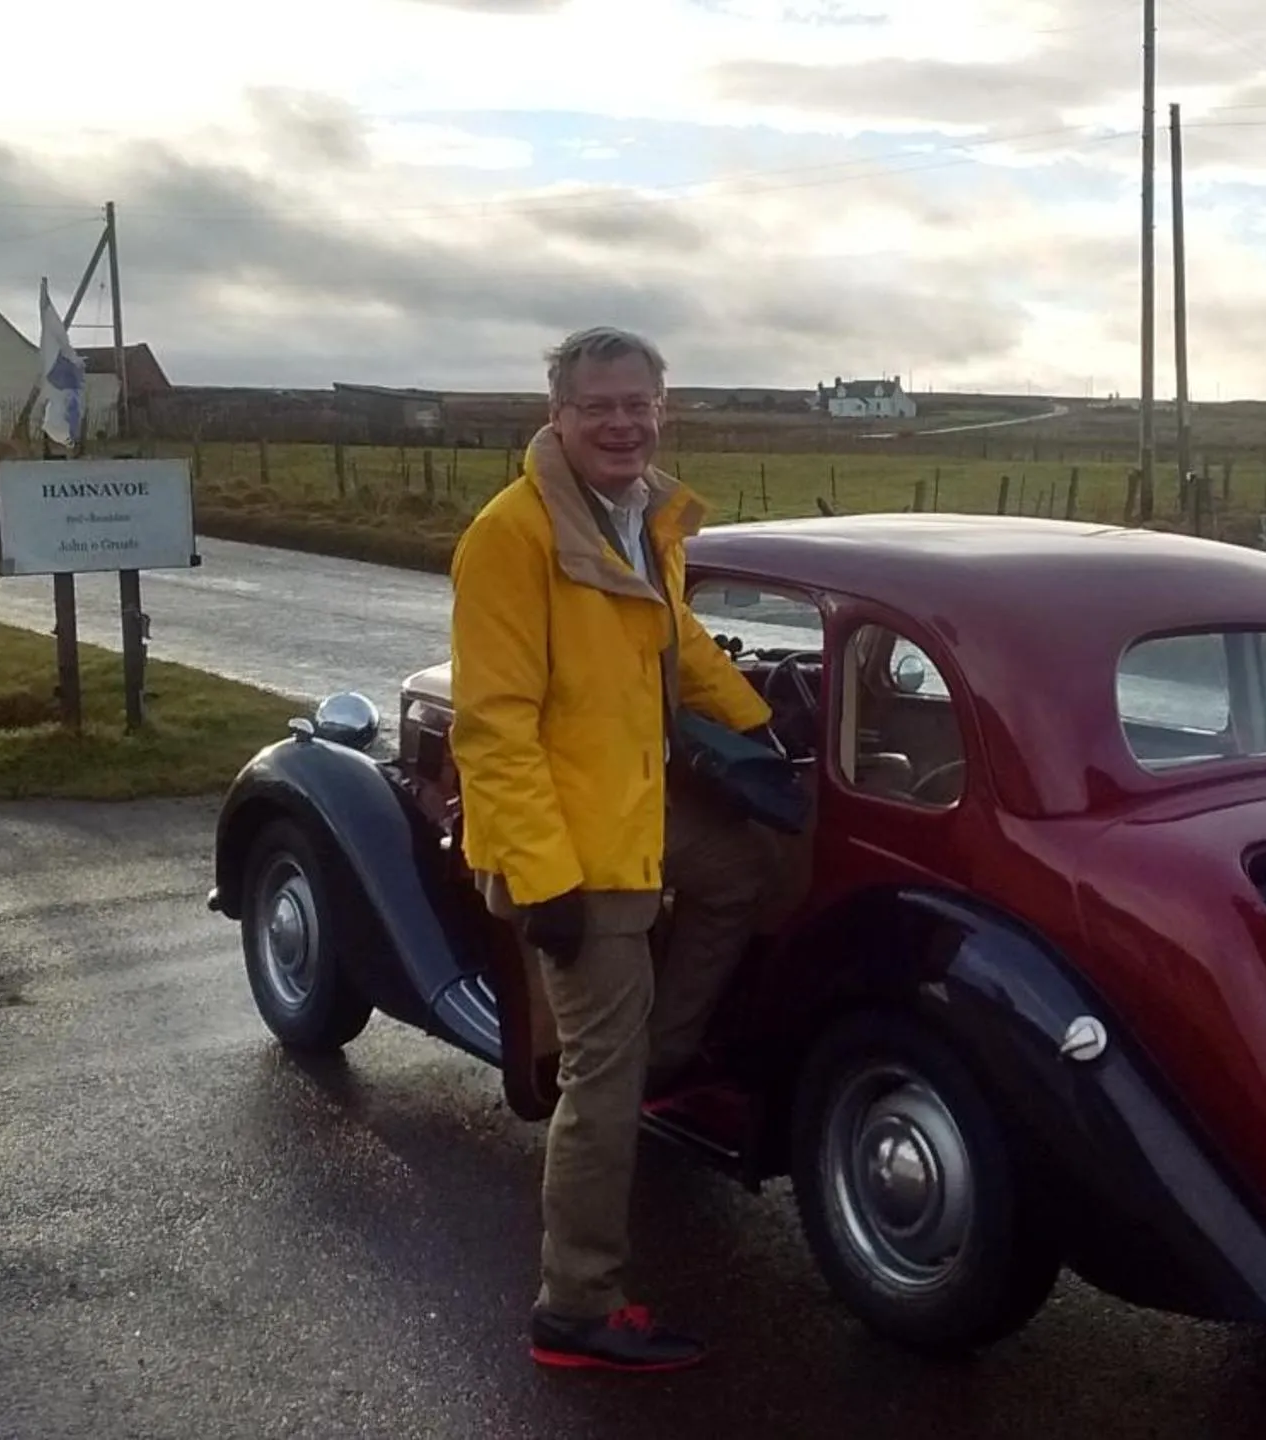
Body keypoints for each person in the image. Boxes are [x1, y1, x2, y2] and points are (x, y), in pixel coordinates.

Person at [447, 325, 778, 1374]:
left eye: (640, 404)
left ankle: (665, 1060)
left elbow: (675, 643)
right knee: (597, 1071)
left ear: (662, 410)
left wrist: (762, 726)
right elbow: (492, 726)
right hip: (567, 841)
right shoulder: (514, 536)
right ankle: (576, 1305)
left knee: (743, 872)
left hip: (630, 799)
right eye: (600, 407)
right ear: (559, 416)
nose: (624, 423)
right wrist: (544, 881)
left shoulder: (642, 520)